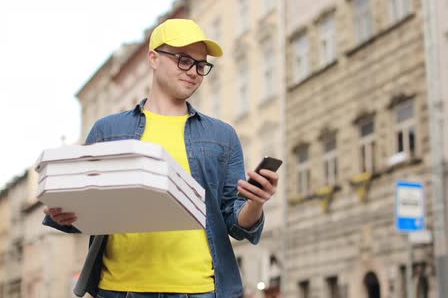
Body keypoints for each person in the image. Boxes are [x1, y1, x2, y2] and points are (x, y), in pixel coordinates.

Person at [42, 18, 279, 298]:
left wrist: (255, 202)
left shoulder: (222, 136)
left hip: (200, 290)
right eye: (183, 60)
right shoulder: (108, 130)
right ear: (153, 58)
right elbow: (85, 210)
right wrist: (62, 212)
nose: (194, 72)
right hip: (119, 289)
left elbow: (236, 224)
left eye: (201, 65)